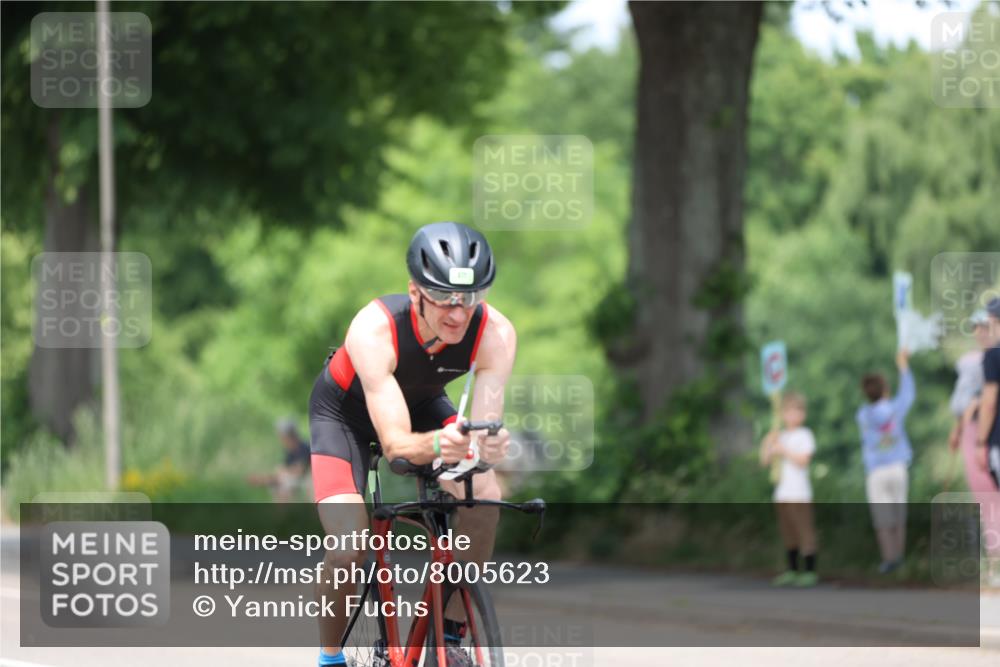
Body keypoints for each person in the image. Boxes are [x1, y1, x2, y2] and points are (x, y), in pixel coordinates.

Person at [308, 222, 516, 667]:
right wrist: (444, 444)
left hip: (421, 405)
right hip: (344, 415)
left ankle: (454, 637)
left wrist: (486, 446)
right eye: (443, 298)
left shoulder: (496, 333)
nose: (457, 313)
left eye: (469, 298)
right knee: (348, 543)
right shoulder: (374, 329)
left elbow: (481, 428)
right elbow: (399, 447)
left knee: (486, 495)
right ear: (415, 291)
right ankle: (329, 656)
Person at [947, 309, 1000, 563]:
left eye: (984, 326)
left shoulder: (988, 359)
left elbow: (987, 399)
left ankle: (995, 557)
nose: (980, 332)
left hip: (987, 434)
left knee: (989, 495)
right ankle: (994, 555)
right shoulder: (972, 361)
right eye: (976, 327)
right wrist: (958, 430)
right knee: (985, 498)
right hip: (975, 433)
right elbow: (962, 404)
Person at [857, 347, 914, 574]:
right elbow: (908, 394)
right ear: (886, 390)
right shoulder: (894, 409)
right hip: (898, 467)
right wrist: (903, 366)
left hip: (876, 472)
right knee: (899, 515)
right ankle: (900, 557)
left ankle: (888, 559)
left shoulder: (862, 415)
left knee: (882, 520)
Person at [760, 392, 819, 587]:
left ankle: (810, 570)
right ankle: (792, 569)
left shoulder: (805, 435)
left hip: (799, 493)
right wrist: (769, 442)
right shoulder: (780, 436)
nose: (793, 415)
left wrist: (784, 450)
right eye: (789, 411)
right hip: (782, 493)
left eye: (797, 411)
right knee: (789, 533)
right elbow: (765, 462)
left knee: (804, 531)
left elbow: (803, 461)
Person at [246, 418, 311, 502]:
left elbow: (299, 471)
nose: (281, 439)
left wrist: (276, 475)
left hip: (307, 482)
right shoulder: (289, 451)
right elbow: (284, 468)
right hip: (296, 481)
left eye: (282, 436)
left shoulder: (304, 448)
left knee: (284, 485)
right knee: (278, 484)